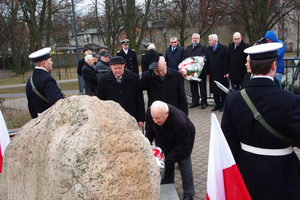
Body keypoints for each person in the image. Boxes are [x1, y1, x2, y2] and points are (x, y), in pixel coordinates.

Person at [221, 42, 300, 200]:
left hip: (246, 170)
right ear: (274, 65)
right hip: (282, 172)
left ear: (250, 66)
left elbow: (228, 143)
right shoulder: (291, 101)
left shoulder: (233, 100)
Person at [145, 100, 195, 200]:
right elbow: (150, 130)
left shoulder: (180, 122)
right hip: (164, 136)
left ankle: (189, 194)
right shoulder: (152, 112)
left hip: (184, 140)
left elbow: (182, 147)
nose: (154, 121)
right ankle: (167, 188)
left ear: (166, 114)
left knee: (184, 163)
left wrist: (167, 159)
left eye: (157, 118)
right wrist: (146, 145)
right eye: (153, 117)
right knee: (165, 165)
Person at [97, 56, 145, 127]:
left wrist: (141, 118)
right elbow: (101, 102)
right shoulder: (103, 81)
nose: (118, 71)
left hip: (131, 116)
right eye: (115, 68)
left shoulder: (134, 78)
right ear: (111, 68)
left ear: (124, 66)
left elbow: (139, 99)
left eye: (120, 68)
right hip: (112, 118)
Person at [139, 50, 188, 116]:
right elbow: (141, 87)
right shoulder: (149, 76)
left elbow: (182, 97)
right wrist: (149, 73)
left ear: (166, 64)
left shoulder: (176, 75)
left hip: (173, 112)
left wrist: (184, 115)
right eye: (157, 71)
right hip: (156, 114)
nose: (161, 73)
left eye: (162, 70)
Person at [26, 47, 65, 118]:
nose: (52, 62)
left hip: (39, 121)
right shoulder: (48, 80)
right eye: (50, 60)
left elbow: (31, 106)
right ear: (44, 63)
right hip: (51, 119)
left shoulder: (30, 80)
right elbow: (58, 103)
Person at [183, 33, 207, 109]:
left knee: (202, 87)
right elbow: (186, 58)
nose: (195, 39)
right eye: (193, 38)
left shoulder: (203, 47)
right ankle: (195, 101)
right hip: (191, 71)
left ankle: (204, 102)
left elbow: (203, 57)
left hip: (200, 71)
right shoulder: (188, 47)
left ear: (199, 39)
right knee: (193, 87)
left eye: (196, 38)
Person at [206, 34, 228, 112]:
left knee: (221, 90)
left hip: (221, 72)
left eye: (210, 40)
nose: (209, 42)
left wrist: (226, 72)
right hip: (212, 72)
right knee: (214, 90)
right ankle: (217, 104)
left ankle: (223, 105)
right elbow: (207, 61)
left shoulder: (223, 48)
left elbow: (226, 61)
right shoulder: (208, 49)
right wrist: (207, 72)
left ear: (215, 40)